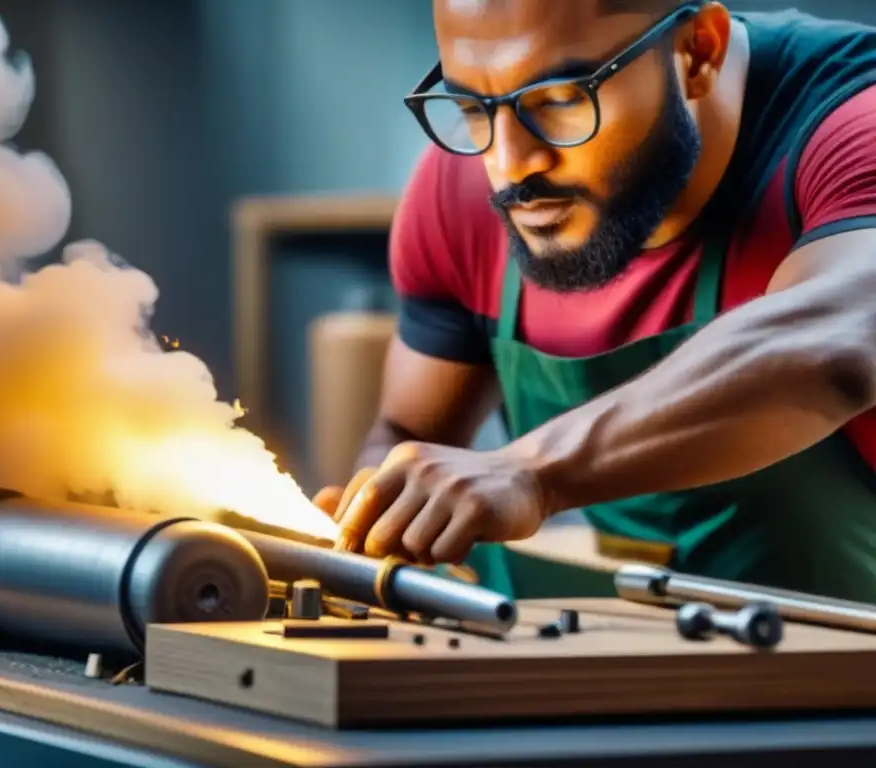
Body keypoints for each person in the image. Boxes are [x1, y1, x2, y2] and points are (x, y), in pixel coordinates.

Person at [312, 0, 876, 602]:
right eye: (474, 108)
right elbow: (408, 429)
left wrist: (531, 471)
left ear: (697, 52)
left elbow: (839, 342)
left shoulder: (851, 120)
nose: (508, 169)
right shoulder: (457, 194)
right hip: (628, 658)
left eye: (558, 99)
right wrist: (375, 516)